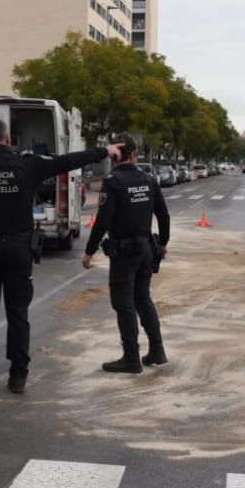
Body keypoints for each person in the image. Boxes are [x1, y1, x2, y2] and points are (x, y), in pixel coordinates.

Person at [0, 118, 120, 395]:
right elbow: (67, 161)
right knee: (18, 314)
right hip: (19, 250)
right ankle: (18, 377)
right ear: (8, 140)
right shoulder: (29, 165)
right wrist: (104, 151)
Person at [82, 135, 170, 374]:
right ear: (134, 155)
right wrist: (163, 243)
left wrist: (89, 252)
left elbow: (103, 221)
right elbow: (163, 215)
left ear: (115, 157)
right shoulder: (148, 179)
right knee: (143, 299)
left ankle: (131, 358)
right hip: (146, 249)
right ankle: (157, 350)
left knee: (124, 303)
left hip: (124, 252)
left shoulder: (113, 182)